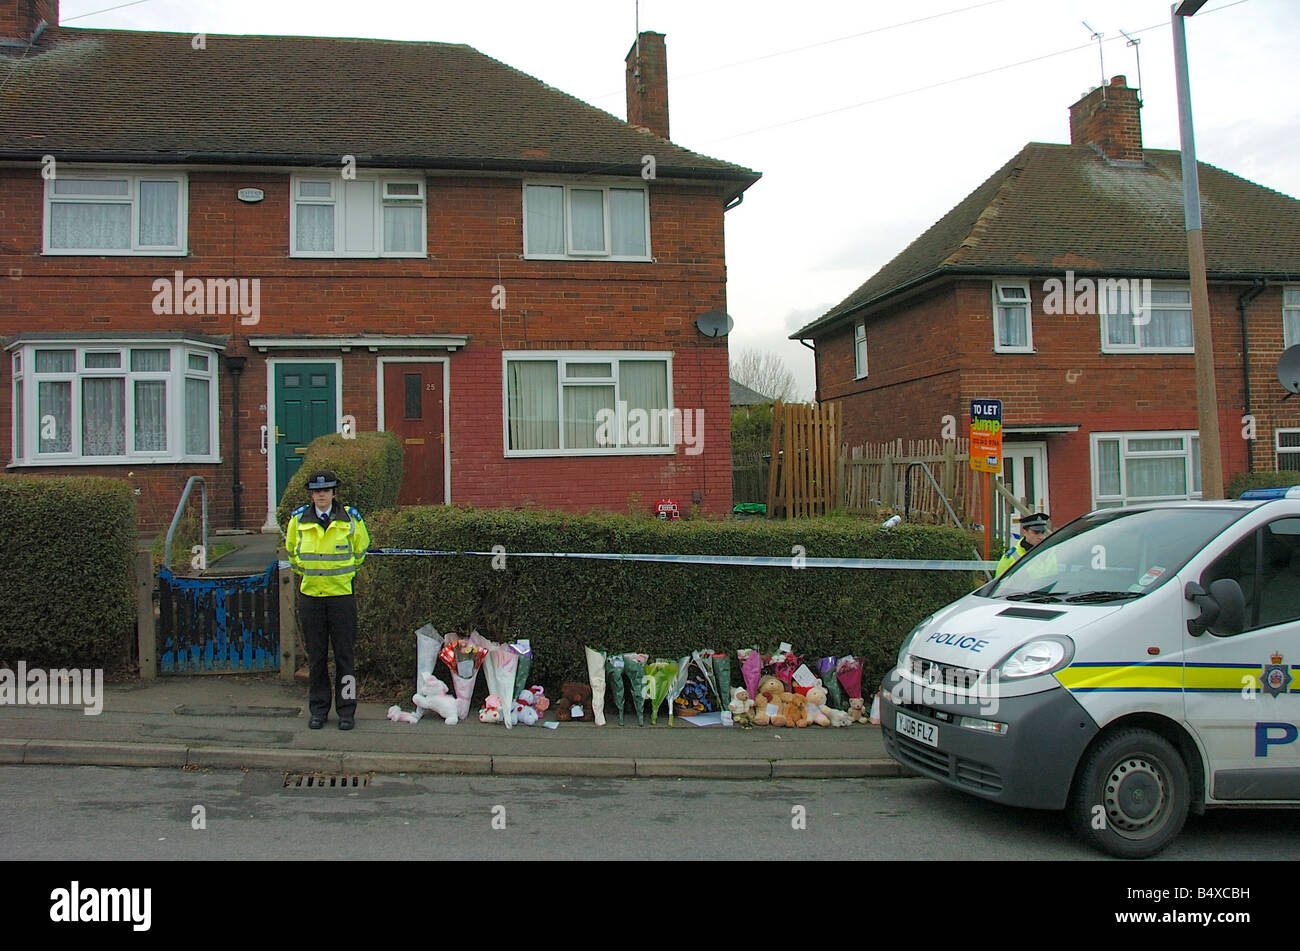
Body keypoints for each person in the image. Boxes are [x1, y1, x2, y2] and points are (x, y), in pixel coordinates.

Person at [285, 470, 370, 730]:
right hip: (311, 597)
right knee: (316, 657)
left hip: (341, 597)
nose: (321, 494)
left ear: (334, 493)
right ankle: (318, 710)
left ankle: (346, 711)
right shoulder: (298, 520)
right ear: (311, 494)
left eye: (326, 490)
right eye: (316, 491)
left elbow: (361, 551)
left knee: (345, 656)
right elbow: (292, 555)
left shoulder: (351, 519)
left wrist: (340, 577)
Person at [996, 511, 1050, 578]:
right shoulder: (1012, 556)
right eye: (1036, 533)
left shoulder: (1050, 551)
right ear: (1024, 532)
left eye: (1043, 532)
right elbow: (1000, 584)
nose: (1042, 537)